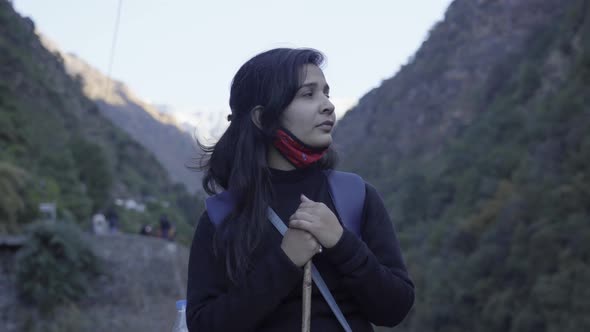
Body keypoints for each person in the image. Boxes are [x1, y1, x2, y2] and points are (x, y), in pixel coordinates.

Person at [186, 48, 414, 331]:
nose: (328, 105)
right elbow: (203, 325)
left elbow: (394, 308)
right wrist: (284, 262)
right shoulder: (223, 216)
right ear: (262, 118)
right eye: (308, 94)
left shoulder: (355, 195)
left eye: (326, 93)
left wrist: (342, 243)